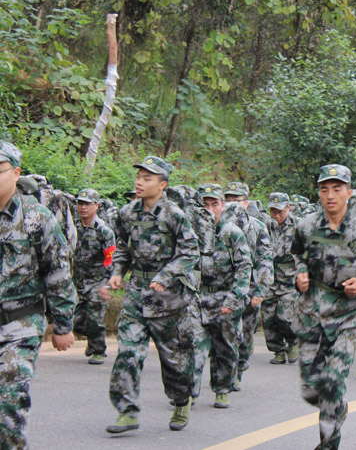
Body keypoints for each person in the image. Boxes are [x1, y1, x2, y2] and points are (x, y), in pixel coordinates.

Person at [291, 164, 356, 450]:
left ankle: (329, 442)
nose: (330, 195)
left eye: (337, 189)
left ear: (348, 193)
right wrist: (299, 275)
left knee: (332, 380)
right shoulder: (306, 227)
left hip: (348, 316)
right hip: (312, 313)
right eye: (324, 189)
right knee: (311, 387)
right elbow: (291, 256)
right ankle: (337, 406)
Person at [106, 155, 200, 433]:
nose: (139, 182)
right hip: (137, 293)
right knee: (128, 351)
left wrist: (166, 275)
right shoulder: (126, 213)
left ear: (162, 185)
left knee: (174, 358)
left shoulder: (175, 215)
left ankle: (181, 399)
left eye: (147, 178)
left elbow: (189, 253)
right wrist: (117, 271)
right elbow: (122, 248)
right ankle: (127, 411)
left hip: (169, 298)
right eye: (139, 177)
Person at [0, 141, 75, 448]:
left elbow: (57, 272)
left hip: (19, 324)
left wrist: (62, 324)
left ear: (15, 173)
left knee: (8, 403)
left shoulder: (36, 217)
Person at [193, 184, 252, 408]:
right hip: (198, 298)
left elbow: (244, 268)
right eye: (205, 205)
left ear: (222, 206)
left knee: (224, 347)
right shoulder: (192, 234)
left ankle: (222, 388)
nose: (209, 209)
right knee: (193, 345)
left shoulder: (232, 233)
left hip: (225, 298)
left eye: (214, 204)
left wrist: (234, 299)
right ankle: (188, 391)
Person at [222, 181, 273, 388]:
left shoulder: (258, 227)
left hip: (250, 290)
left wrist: (261, 290)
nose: (232, 204)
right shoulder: (218, 225)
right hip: (224, 289)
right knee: (224, 335)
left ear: (246, 202)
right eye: (228, 200)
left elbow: (265, 260)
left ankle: (239, 368)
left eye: (237, 200)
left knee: (245, 335)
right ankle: (224, 375)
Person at [73, 188, 116, 365]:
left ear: (96, 206)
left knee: (94, 318)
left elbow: (111, 259)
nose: (83, 207)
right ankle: (92, 337)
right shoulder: (72, 226)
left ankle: (98, 350)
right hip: (77, 280)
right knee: (73, 319)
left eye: (87, 204)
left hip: (97, 281)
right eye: (80, 203)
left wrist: (106, 284)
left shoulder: (104, 231)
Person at [264, 191, 301, 364]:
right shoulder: (266, 225)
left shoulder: (299, 226)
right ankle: (278, 349)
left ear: (288, 207)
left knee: (285, 316)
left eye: (280, 211)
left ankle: (293, 342)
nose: (277, 215)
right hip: (270, 277)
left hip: (290, 279)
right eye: (273, 211)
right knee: (268, 317)